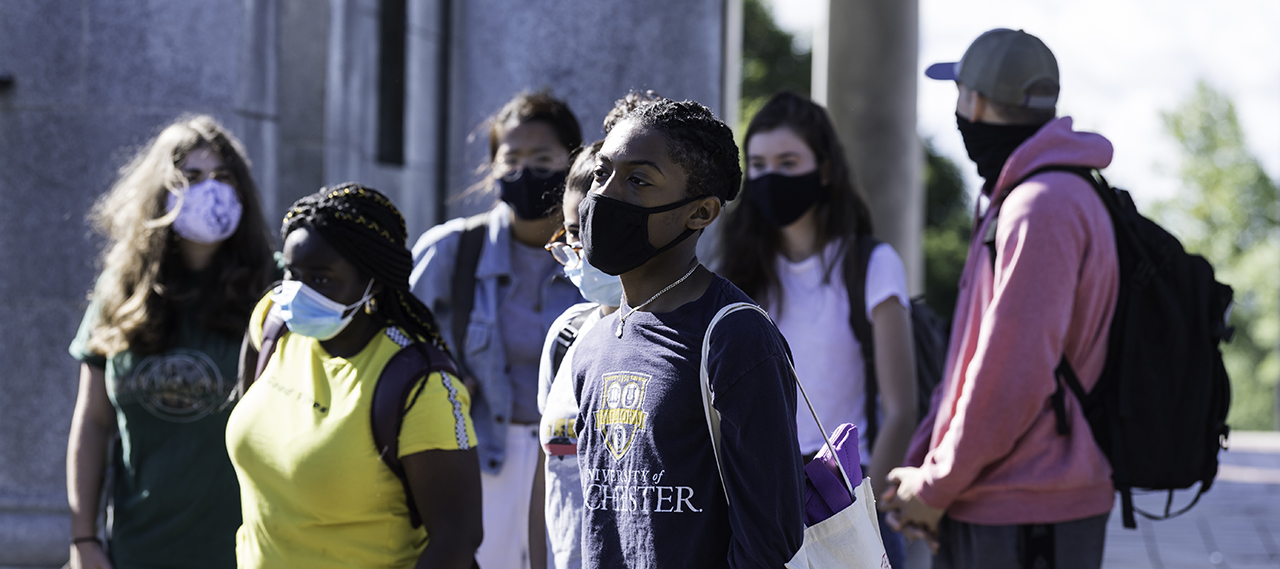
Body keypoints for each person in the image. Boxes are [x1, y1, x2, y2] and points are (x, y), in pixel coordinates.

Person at [882, 28, 1119, 569]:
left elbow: (1012, 373)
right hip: (1000, 498)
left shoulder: (1041, 205)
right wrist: (928, 469)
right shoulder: (1032, 196)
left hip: (1025, 506)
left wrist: (936, 484)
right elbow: (973, 358)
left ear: (975, 101)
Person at [571, 98, 804, 568]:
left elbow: (771, 537)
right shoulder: (592, 344)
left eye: (638, 180)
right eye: (601, 173)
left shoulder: (736, 337)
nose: (605, 195)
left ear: (700, 213)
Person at [226, 184, 482, 568]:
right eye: (291, 273)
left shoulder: (420, 383)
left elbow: (457, 539)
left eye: (322, 278)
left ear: (372, 282)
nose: (297, 293)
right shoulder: (272, 322)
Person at [717, 90, 916, 569]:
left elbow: (902, 408)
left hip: (845, 498)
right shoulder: (735, 275)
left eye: (789, 162)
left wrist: (859, 509)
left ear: (824, 170)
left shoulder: (871, 263)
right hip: (762, 501)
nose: (772, 178)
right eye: (759, 164)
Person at [66, 115, 275, 569]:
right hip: (137, 549)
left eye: (223, 177)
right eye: (192, 177)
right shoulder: (120, 290)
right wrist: (83, 538)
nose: (210, 189)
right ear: (160, 191)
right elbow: (93, 421)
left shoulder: (273, 287)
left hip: (244, 551)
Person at [410, 91, 584, 569]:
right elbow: (400, 341)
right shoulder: (450, 251)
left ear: (572, 165)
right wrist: (439, 377)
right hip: (479, 453)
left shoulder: (596, 261)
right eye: (511, 158)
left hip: (574, 457)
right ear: (492, 167)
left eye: (543, 158)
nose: (525, 171)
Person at [535, 139, 619, 569]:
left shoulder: (700, 337)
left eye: (594, 227)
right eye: (571, 231)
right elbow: (545, 472)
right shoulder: (567, 335)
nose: (581, 248)